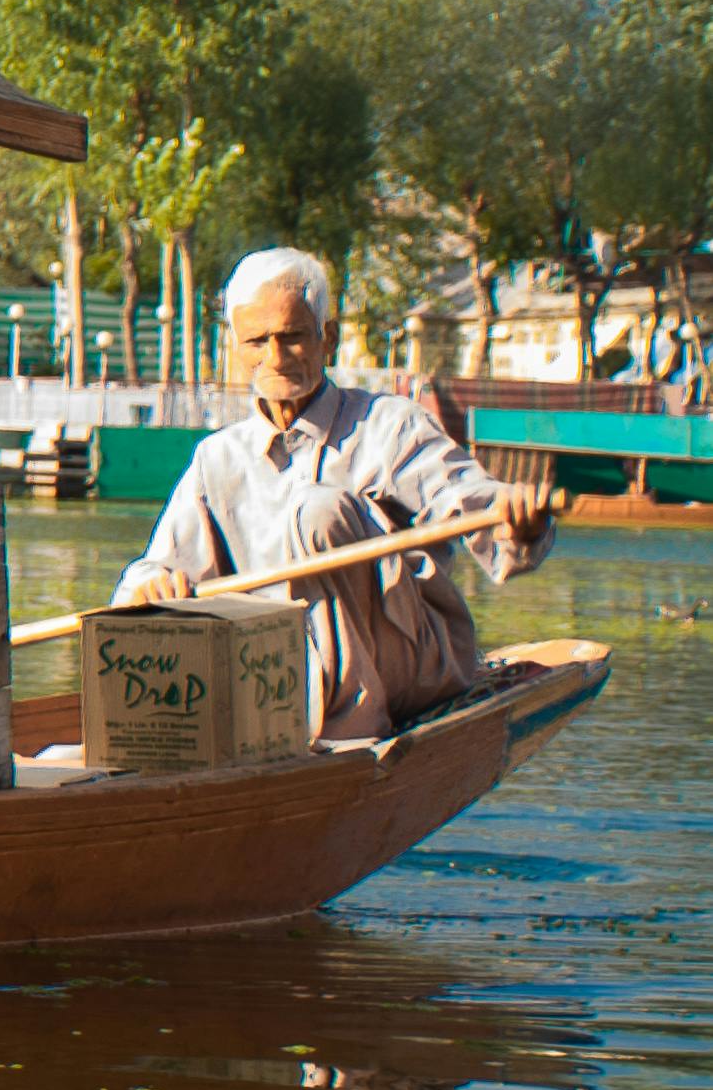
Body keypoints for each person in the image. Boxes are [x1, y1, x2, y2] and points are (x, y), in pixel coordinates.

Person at [116, 246, 550, 740]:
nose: (275, 359)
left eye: (292, 337)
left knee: (316, 511)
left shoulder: (390, 426)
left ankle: (347, 733)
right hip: (277, 681)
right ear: (235, 348)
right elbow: (160, 565)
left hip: (411, 667)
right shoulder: (218, 459)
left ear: (328, 338)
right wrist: (150, 584)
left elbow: (470, 501)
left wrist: (514, 519)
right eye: (257, 341)